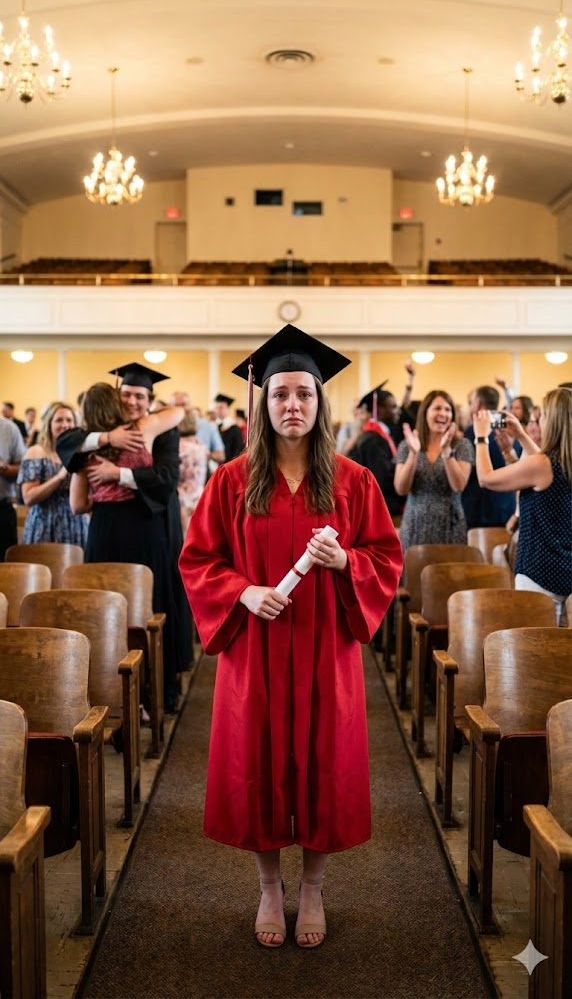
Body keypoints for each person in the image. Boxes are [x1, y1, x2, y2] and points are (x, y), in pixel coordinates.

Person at [179, 325, 402, 950]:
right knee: (260, 763)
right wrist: (243, 592)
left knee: (325, 763)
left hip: (326, 647)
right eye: (280, 394)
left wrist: (346, 562)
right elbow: (198, 560)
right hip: (258, 649)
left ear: (319, 401)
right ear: (264, 403)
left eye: (304, 393)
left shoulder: (354, 480)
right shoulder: (231, 481)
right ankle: (269, 888)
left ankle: (313, 889)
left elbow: (386, 555)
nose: (293, 405)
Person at [58, 362, 192, 712]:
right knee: (107, 609)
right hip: (111, 529)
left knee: (148, 606)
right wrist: (108, 439)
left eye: (140, 396)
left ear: (150, 400)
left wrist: (116, 473)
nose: (133, 401)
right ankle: (109, 694)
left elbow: (165, 479)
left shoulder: (158, 428)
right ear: (117, 396)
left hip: (149, 524)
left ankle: (156, 691)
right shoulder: (96, 434)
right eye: (127, 394)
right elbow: (65, 445)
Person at [473, 387, 571, 624]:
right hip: (567, 571)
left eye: (542, 416)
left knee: (535, 645)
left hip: (538, 573)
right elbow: (543, 470)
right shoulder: (562, 463)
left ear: (552, 421)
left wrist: (481, 437)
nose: (539, 420)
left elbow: (486, 478)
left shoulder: (542, 464)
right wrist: (521, 436)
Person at [394, 389, 474, 553]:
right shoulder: (407, 445)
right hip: (415, 524)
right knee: (413, 569)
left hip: (450, 525)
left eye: (447, 409)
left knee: (450, 569)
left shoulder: (462, 445)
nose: (443, 413)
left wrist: (446, 452)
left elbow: (458, 486)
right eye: (437, 408)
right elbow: (401, 489)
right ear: (425, 413)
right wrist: (413, 454)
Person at [17, 401, 89, 546]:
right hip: (44, 524)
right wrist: (59, 477)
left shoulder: (80, 452)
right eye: (59, 420)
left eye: (69, 420)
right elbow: (28, 498)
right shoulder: (37, 452)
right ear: (49, 424)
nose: (65, 425)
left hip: (75, 523)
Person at [462, 384, 516, 529]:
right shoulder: (509, 429)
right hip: (506, 507)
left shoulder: (473, 432)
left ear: (478, 404)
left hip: (480, 509)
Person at [347, 386, 403, 520]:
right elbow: (381, 480)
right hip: (378, 510)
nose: (398, 411)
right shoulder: (374, 440)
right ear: (379, 410)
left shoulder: (378, 435)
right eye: (393, 407)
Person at [176, 411, 208, 533]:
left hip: (182, 497)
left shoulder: (179, 447)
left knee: (183, 536)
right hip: (199, 494)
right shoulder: (201, 445)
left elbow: (176, 475)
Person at [0, 413, 26, 558]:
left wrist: (3, 468)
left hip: (2, 509)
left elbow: (24, 468)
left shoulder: (9, 429)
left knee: (5, 565)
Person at [213, 392, 244, 462]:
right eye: (216, 407)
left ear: (228, 409)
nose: (218, 410)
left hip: (228, 464)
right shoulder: (213, 426)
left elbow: (238, 451)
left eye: (221, 407)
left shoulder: (234, 428)